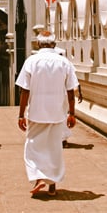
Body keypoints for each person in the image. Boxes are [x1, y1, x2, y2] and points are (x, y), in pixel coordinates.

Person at [16, 30, 79, 196]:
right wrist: (72, 113)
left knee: (33, 147)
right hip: (58, 112)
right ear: (54, 44)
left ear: (38, 44)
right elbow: (71, 91)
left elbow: (24, 90)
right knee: (54, 148)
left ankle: (39, 177)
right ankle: (52, 186)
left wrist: (21, 114)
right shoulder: (64, 62)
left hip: (36, 111)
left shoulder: (32, 61)